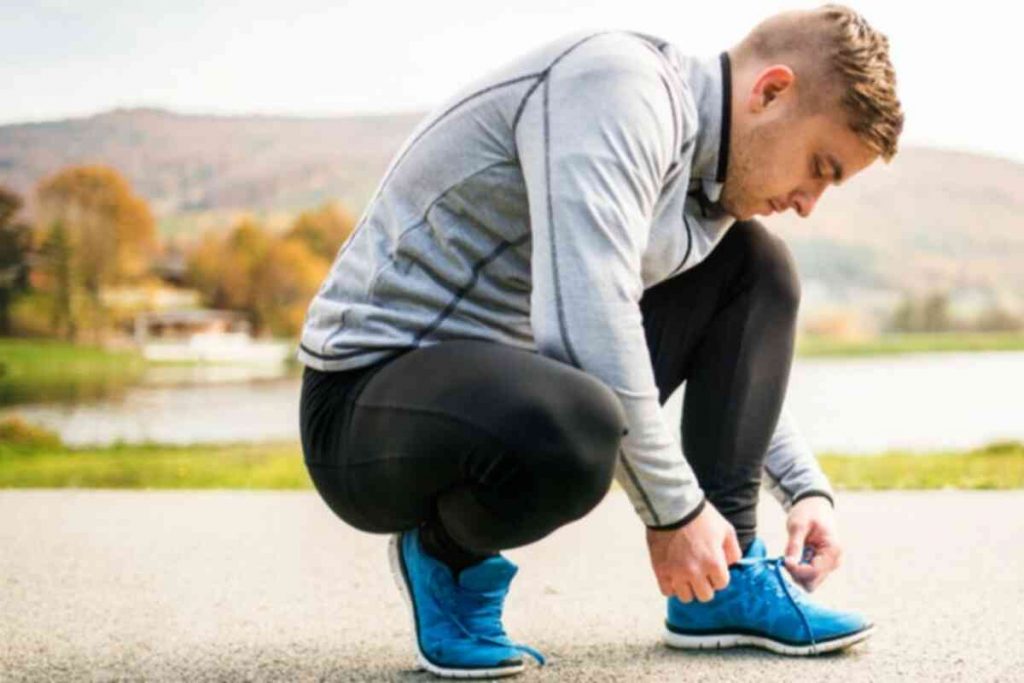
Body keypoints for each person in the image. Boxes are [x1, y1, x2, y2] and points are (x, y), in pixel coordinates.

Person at [297, 4, 903, 678]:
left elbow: (729, 367)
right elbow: (585, 322)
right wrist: (675, 514)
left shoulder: (704, 189)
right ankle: (445, 553)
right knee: (574, 425)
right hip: (365, 402)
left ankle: (723, 581)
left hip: (513, 378)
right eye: (819, 166)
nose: (810, 201)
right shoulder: (618, 89)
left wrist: (805, 490)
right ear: (771, 91)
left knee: (756, 268)